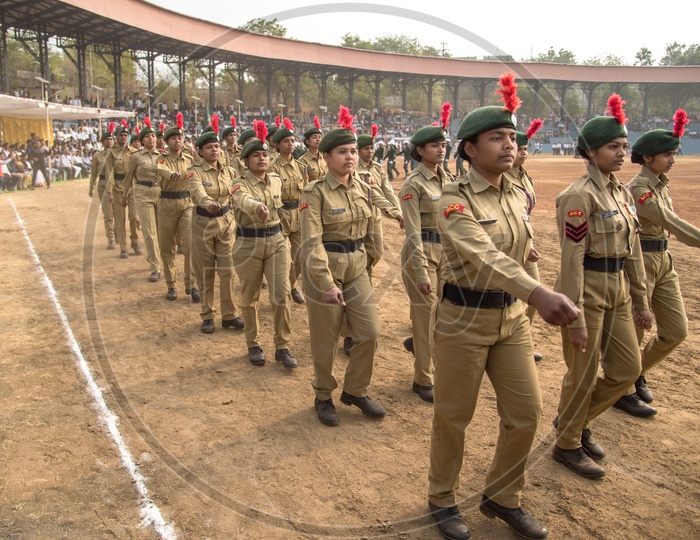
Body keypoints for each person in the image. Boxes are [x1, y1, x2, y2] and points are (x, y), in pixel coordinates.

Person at [428, 73, 579, 540]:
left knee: (527, 413)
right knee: (455, 416)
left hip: (512, 320)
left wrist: (528, 269)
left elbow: (515, 248)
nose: (509, 145)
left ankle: (502, 495)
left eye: (512, 137)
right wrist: (537, 291)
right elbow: (483, 254)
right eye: (497, 137)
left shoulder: (516, 192)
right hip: (463, 320)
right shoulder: (452, 199)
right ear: (470, 149)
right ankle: (441, 497)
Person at [552, 94, 654, 481]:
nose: (622, 153)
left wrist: (641, 299)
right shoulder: (579, 196)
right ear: (590, 151)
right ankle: (567, 444)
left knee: (627, 369)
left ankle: (571, 424)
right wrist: (574, 313)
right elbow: (571, 258)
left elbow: (633, 251)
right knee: (582, 372)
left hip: (619, 290)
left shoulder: (621, 192)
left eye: (624, 146)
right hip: (587, 290)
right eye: (613, 147)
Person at [300, 117, 390, 427]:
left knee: (368, 334)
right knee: (326, 340)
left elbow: (370, 233)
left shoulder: (364, 187)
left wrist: (368, 264)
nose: (350, 156)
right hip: (325, 269)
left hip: (357, 268)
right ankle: (323, 395)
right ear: (326, 157)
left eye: (353, 150)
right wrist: (325, 282)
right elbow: (311, 243)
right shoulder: (314, 192)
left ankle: (355, 391)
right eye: (342, 151)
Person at [615, 108, 698, 414]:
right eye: (666, 155)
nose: (673, 160)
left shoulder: (660, 183)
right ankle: (621, 388)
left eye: (673, 154)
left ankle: (634, 372)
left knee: (676, 331)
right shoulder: (640, 188)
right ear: (648, 159)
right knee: (635, 329)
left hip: (664, 260)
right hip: (643, 259)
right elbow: (670, 221)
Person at [399, 105, 454, 404]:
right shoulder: (413, 185)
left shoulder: (450, 180)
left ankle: (419, 347)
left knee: (443, 316)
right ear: (420, 151)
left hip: (446, 253)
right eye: (435, 145)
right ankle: (423, 379)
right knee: (425, 318)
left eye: (444, 144)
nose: (441, 149)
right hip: (421, 253)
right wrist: (420, 272)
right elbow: (413, 232)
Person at [231, 121, 296, 368]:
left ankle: (282, 346)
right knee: (250, 298)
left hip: (277, 241)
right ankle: (254, 344)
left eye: (265, 155)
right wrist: (256, 207)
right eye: (255, 155)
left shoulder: (277, 180)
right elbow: (243, 199)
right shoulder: (239, 182)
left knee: (282, 295)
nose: (261, 159)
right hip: (248, 243)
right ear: (246, 161)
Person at [187, 128, 244, 334]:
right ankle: (208, 315)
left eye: (217, 147)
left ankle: (229, 315)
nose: (214, 150)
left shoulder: (229, 172)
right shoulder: (194, 172)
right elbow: (197, 191)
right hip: (203, 223)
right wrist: (208, 202)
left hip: (227, 223)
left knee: (228, 271)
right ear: (200, 151)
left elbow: (238, 193)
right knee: (206, 271)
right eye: (209, 147)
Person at [505, 119, 545, 362]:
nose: (524, 154)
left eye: (526, 150)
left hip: (525, 244)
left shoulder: (524, 177)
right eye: (521, 149)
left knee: (533, 294)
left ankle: (520, 341)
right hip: (509, 245)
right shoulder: (501, 177)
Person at [155, 113, 198, 302]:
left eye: (180, 138)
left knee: (189, 245)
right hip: (166, 204)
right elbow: (162, 170)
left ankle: (191, 284)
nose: (177, 141)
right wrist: (174, 174)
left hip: (187, 203)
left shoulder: (189, 159)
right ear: (167, 142)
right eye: (173, 138)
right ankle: (171, 284)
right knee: (167, 247)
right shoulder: (162, 159)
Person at [268, 118, 309, 305]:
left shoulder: (301, 167)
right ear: (277, 144)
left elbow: (306, 191)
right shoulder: (271, 167)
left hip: (298, 214)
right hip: (279, 214)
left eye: (293, 141)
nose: (291, 144)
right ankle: (282, 291)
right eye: (286, 141)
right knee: (281, 258)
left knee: (300, 256)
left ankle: (290, 286)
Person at [122, 117, 163, 282]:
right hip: (142, 193)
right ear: (141, 140)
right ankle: (155, 267)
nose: (151, 138)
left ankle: (163, 261)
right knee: (149, 232)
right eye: (147, 136)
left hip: (160, 193)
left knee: (162, 232)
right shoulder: (136, 157)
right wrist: (125, 196)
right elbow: (128, 178)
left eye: (153, 136)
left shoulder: (163, 155)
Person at [105, 121, 141, 259]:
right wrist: (109, 192)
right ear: (116, 137)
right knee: (120, 220)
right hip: (118, 188)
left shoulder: (134, 152)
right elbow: (109, 174)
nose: (124, 137)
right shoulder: (111, 153)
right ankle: (124, 247)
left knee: (134, 217)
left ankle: (135, 241)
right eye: (121, 135)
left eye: (126, 135)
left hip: (132, 187)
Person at [89, 123, 116, 249]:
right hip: (103, 184)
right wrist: (91, 187)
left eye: (111, 139)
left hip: (117, 184)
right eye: (107, 139)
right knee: (108, 213)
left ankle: (117, 234)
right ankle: (110, 237)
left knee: (118, 212)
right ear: (102, 142)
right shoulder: (97, 156)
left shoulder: (118, 154)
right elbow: (94, 173)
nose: (109, 141)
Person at [297, 117, 327, 181]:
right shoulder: (303, 160)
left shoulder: (325, 157)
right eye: (314, 137)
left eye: (320, 137)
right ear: (307, 141)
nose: (318, 139)